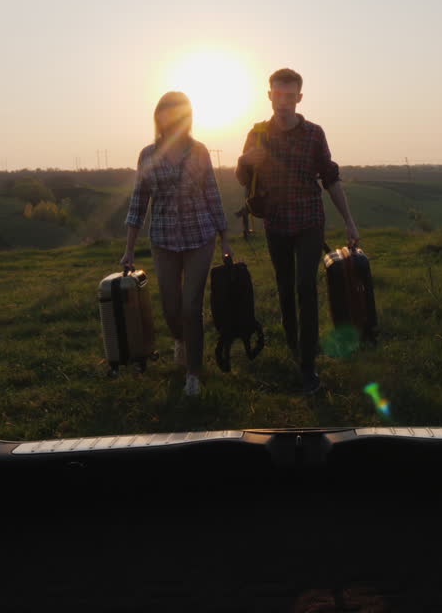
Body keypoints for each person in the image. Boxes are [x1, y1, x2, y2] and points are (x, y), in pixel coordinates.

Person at [236, 68, 361, 394]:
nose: (283, 101)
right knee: (284, 288)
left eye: (290, 96)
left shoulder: (314, 134)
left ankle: (308, 365)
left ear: (299, 98)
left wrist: (348, 220)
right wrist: (246, 160)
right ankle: (295, 343)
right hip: (275, 223)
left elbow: (330, 178)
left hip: (308, 221)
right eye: (278, 94)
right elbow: (241, 177)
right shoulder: (257, 133)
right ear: (269, 96)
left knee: (306, 286)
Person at [123, 91, 233, 396]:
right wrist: (129, 249)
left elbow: (212, 194)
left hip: (200, 235)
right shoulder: (148, 155)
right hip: (163, 238)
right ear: (158, 116)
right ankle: (181, 341)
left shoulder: (199, 151)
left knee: (191, 306)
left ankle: (193, 374)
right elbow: (138, 202)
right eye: (165, 112)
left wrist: (225, 238)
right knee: (171, 308)